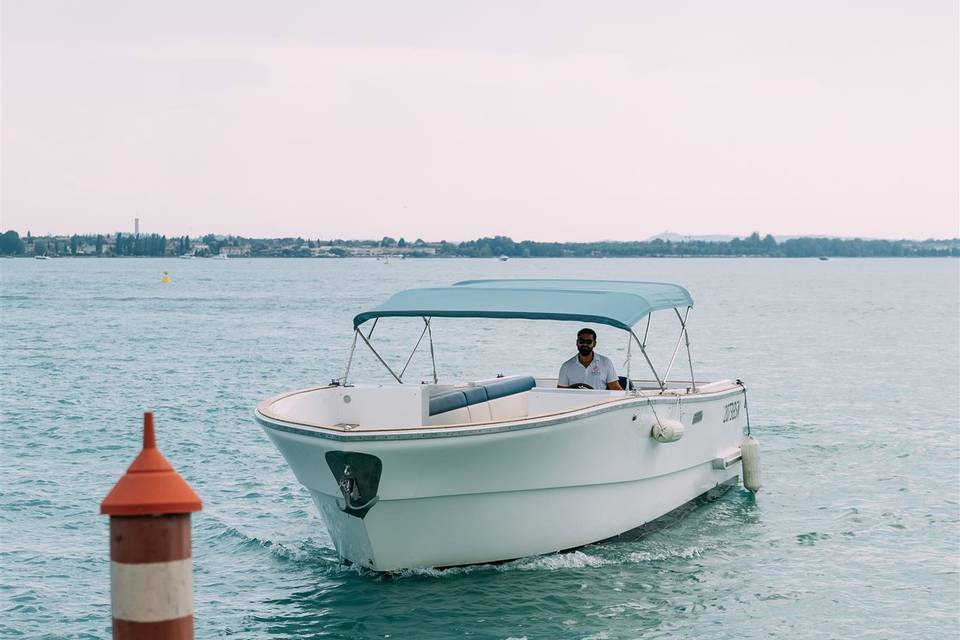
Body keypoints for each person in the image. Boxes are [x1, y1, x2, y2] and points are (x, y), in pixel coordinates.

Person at [557, 328, 622, 390]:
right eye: (581, 341)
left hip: (600, 401)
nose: (585, 344)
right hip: (575, 401)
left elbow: (615, 389)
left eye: (589, 342)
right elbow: (561, 392)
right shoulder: (566, 366)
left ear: (594, 344)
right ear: (577, 343)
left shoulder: (606, 362)